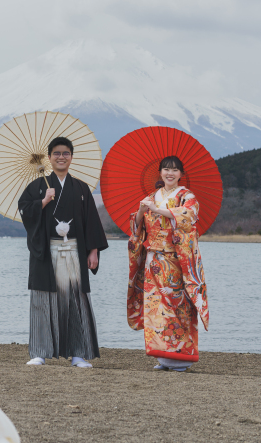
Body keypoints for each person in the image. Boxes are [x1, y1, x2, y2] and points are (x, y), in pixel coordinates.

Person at [18, 136, 109, 368]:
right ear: (48, 158)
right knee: (42, 301)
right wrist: (43, 202)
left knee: (76, 300)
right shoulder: (37, 186)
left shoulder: (80, 188)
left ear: (71, 157)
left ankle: (79, 353)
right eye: (56, 153)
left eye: (65, 153)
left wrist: (93, 251)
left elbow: (91, 222)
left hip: (74, 251)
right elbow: (24, 211)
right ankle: (39, 352)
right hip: (46, 252)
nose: (61, 157)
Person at [127, 156, 209, 371]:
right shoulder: (152, 196)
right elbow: (137, 227)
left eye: (174, 170)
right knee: (155, 309)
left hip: (175, 260)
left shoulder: (186, 196)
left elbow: (187, 217)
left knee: (177, 306)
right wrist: (143, 212)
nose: (169, 173)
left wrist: (157, 210)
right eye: (165, 169)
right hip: (153, 259)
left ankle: (181, 358)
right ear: (160, 173)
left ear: (181, 174)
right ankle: (163, 358)